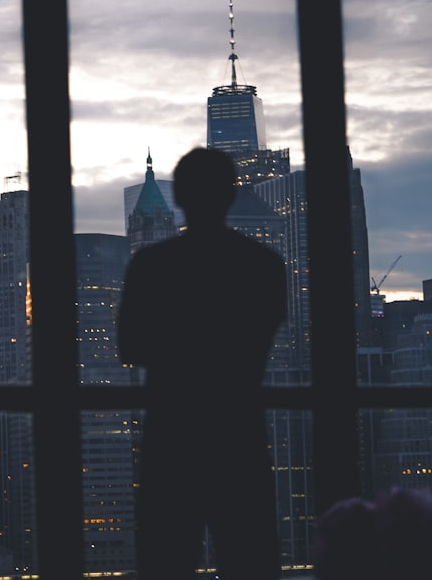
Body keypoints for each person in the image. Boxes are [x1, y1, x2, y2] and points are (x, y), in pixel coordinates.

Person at [118, 147, 287, 580]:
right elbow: (262, 338)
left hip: (171, 436)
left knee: (165, 560)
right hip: (239, 435)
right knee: (250, 559)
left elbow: (130, 347)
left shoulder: (151, 265)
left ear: (181, 199)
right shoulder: (264, 265)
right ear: (232, 195)